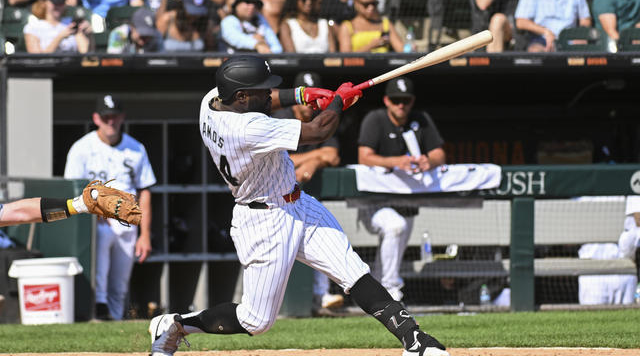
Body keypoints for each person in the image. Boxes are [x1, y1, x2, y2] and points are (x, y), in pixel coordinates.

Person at [148, 55, 449, 356]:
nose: (269, 95)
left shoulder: (211, 101)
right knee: (256, 321)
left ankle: (415, 340)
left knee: (354, 272)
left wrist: (302, 94)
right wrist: (339, 103)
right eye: (261, 91)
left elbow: (264, 98)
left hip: (298, 204)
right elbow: (318, 131)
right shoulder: (247, 128)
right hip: (264, 220)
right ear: (240, 97)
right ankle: (175, 325)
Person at [64, 94, 156, 321]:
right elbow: (72, 187)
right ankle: (99, 306)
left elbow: (145, 190)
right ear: (97, 118)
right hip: (96, 220)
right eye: (106, 117)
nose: (111, 122)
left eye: (114, 116)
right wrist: (93, 210)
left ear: (122, 117)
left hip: (127, 220)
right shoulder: (82, 148)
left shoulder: (136, 149)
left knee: (121, 283)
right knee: (101, 258)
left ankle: (113, 321)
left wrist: (145, 234)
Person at [357, 77, 446, 302]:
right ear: (387, 100)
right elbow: (364, 156)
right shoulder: (375, 119)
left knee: (394, 248)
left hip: (407, 202)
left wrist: (428, 161)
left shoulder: (420, 119)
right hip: (374, 201)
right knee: (394, 226)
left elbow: (439, 154)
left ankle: (375, 297)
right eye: (396, 100)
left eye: (405, 100)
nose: (401, 105)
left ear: (412, 101)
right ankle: (389, 291)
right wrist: (397, 161)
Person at [272, 71, 344, 314]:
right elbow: (283, 158)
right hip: (272, 199)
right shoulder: (279, 117)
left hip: (303, 198)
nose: (309, 106)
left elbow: (333, 155)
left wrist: (312, 164)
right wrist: (315, 157)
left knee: (322, 234)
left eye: (312, 101)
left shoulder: (323, 119)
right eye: (305, 99)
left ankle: (321, 295)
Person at [514, 0, 591, 52]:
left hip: (569, 39)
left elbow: (585, 20)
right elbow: (521, 22)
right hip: (540, 38)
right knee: (535, 52)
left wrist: (579, 35)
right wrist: (545, 32)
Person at [23, 0, 92, 53]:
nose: (58, 6)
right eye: (55, 2)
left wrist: (89, 36)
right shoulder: (32, 27)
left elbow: (85, 53)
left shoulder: (72, 23)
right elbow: (37, 60)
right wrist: (60, 37)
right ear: (45, 2)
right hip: (46, 68)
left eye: (61, 2)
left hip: (71, 67)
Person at [219, 0, 283, 53]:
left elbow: (275, 45)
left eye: (255, 3)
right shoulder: (229, 20)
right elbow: (234, 38)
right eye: (247, 2)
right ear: (237, 5)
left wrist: (271, 52)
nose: (252, 6)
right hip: (234, 62)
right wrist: (257, 44)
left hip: (260, 61)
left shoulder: (260, 20)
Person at [338, 0, 402, 52]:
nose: (371, 7)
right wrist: (370, 46)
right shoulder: (347, 26)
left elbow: (401, 49)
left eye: (374, 4)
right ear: (355, 3)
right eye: (366, 4)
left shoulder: (386, 24)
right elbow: (345, 58)